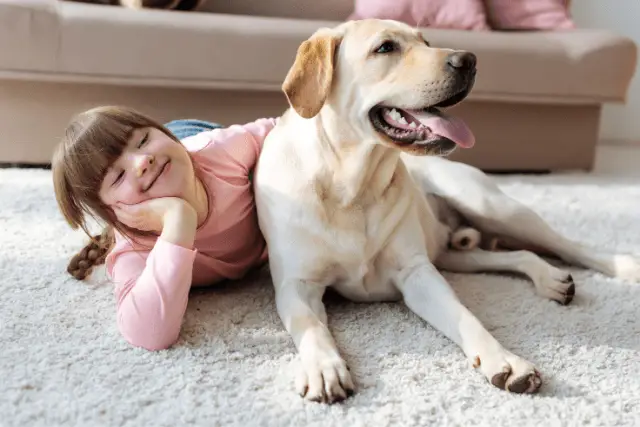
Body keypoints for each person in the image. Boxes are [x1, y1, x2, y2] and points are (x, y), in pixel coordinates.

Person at [52, 105, 278, 351]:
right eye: (117, 176)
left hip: (189, 137)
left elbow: (288, 129)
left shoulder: (221, 150)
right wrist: (177, 220)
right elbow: (148, 334)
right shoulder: (134, 246)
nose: (142, 161)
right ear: (112, 212)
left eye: (143, 140)